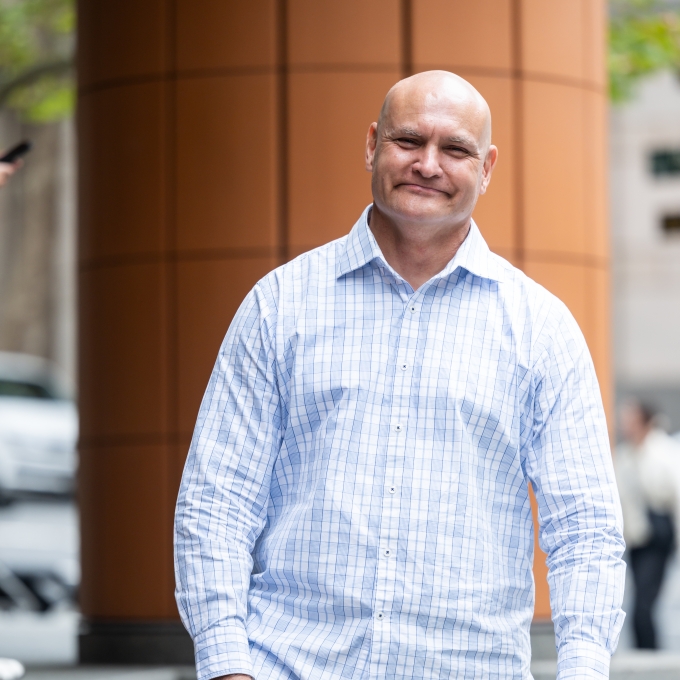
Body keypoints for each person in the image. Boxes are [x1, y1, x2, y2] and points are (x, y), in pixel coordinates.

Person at [175, 70, 625, 680]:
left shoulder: (542, 329)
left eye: (456, 149)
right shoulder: (280, 305)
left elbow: (586, 528)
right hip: (293, 665)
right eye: (408, 141)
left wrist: (585, 669)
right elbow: (217, 501)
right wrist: (227, 665)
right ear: (371, 145)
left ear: (487, 168)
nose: (428, 165)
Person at [615, 400, 680, 649]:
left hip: (659, 534)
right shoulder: (624, 455)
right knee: (641, 603)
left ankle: (649, 657)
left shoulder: (663, 450)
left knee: (643, 605)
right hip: (637, 537)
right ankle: (647, 652)